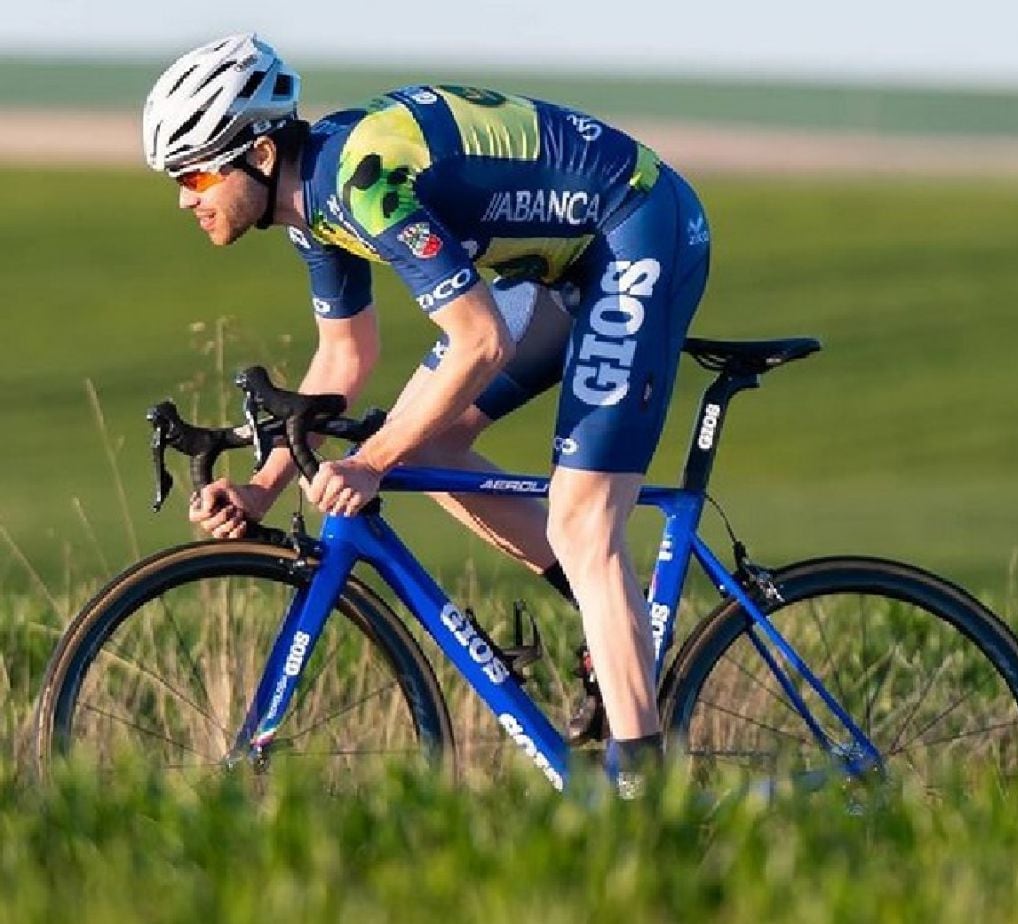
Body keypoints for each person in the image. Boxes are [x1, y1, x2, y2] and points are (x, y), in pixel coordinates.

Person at [142, 32, 711, 786]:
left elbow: (478, 341)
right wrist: (261, 488)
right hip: (561, 263)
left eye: (198, 171)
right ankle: (615, 627)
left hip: (636, 227)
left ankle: (648, 802)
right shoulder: (314, 209)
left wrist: (370, 462)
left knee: (583, 521)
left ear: (261, 155)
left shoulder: (363, 183)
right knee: (427, 448)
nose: (186, 196)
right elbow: (345, 359)